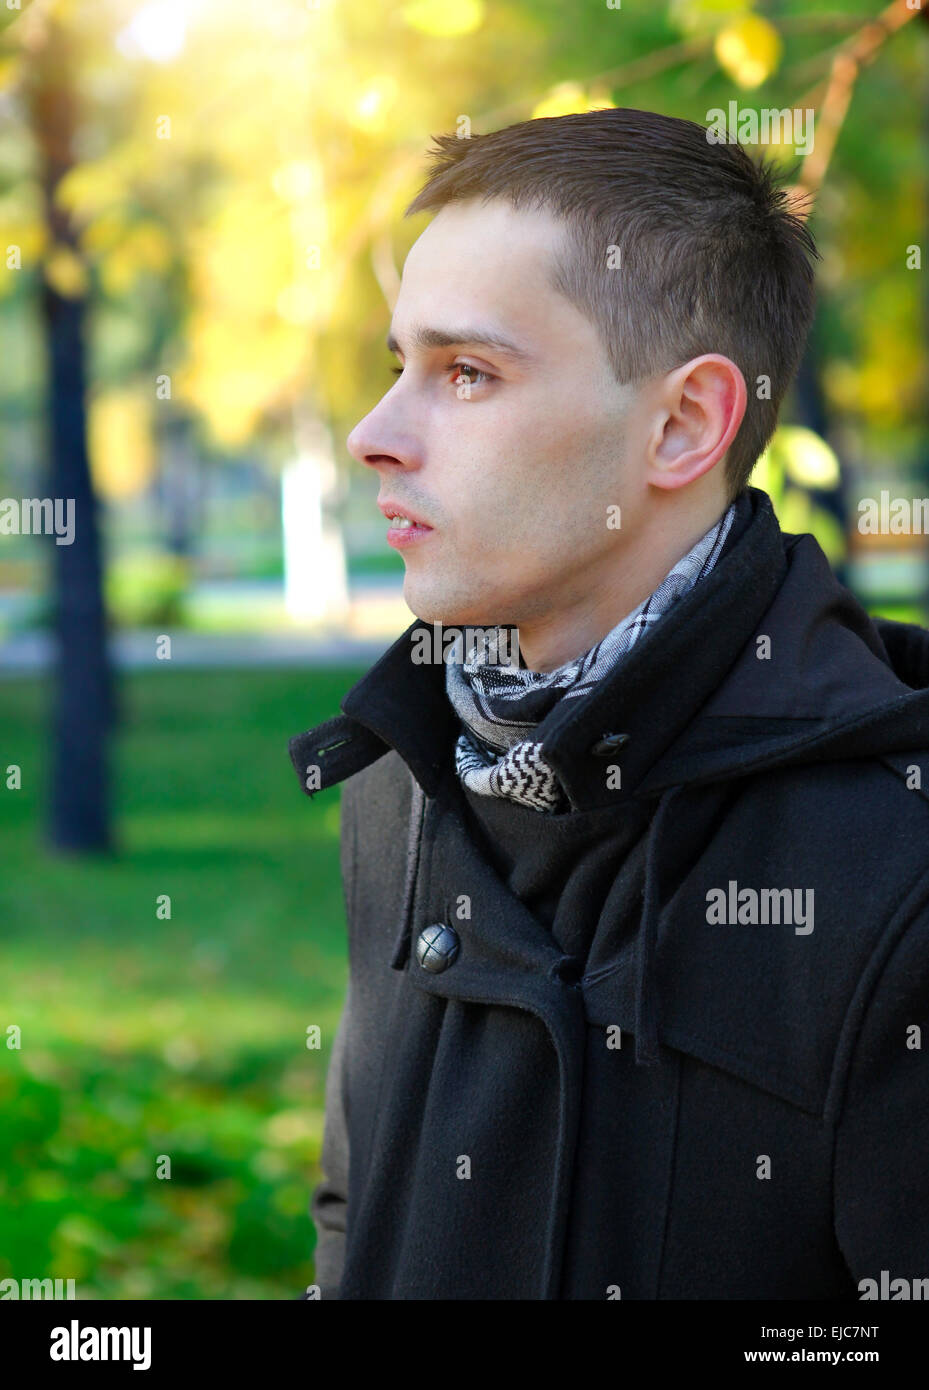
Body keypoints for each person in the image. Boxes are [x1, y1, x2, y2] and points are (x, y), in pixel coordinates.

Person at [288, 107, 929, 1300]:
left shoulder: (893, 869)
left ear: (682, 425)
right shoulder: (396, 784)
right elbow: (353, 1215)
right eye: (396, 367)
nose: (375, 436)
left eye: (465, 373)